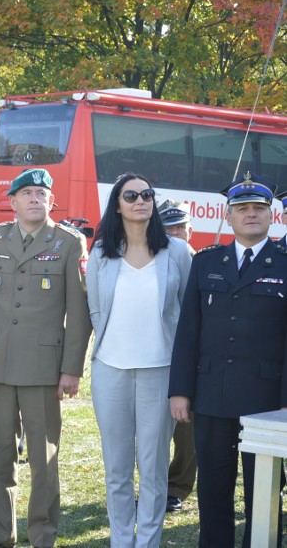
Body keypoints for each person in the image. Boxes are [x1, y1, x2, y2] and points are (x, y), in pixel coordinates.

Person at [0, 168, 91, 548]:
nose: (35, 198)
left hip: (44, 367)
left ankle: (43, 535)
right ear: (14, 201)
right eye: (27, 193)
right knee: (0, 454)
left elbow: (80, 313)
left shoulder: (69, 242)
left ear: (51, 200)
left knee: (43, 459)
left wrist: (71, 368)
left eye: (42, 192)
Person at [169, 172, 287, 548]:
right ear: (228, 216)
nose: (250, 214)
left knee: (263, 492)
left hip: (267, 400)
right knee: (214, 488)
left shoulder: (284, 262)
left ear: (272, 216)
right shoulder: (206, 262)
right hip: (212, 396)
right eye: (242, 209)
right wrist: (181, 391)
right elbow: (188, 332)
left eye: (258, 209)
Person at [87, 174, 192, 547]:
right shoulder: (100, 254)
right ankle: (120, 540)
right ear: (117, 204)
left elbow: (188, 315)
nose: (140, 200)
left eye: (147, 194)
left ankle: (147, 541)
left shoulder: (178, 253)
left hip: (160, 374)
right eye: (130, 195)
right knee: (116, 471)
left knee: (153, 470)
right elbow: (96, 312)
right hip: (110, 372)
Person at [156, 198, 196, 514]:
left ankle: (177, 488)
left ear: (190, 230)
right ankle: (155, 486)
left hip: (192, 360)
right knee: (155, 431)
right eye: (170, 228)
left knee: (186, 433)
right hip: (158, 357)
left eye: (181, 227)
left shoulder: (205, 262)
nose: (176, 233)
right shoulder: (151, 262)